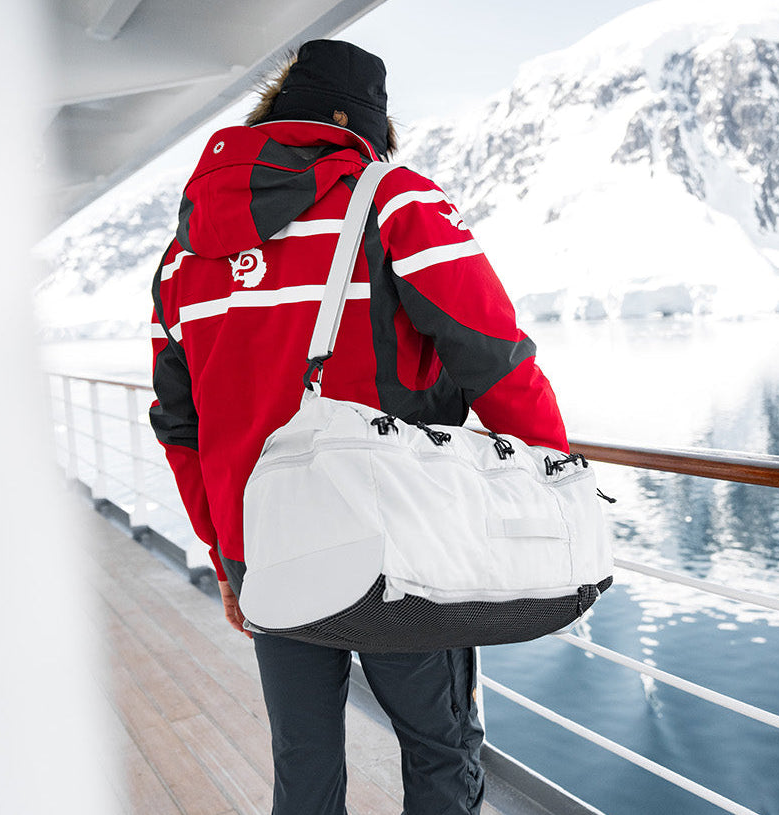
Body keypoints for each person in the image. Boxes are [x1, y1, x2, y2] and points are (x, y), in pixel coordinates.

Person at [148, 39, 568, 815]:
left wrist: (223, 551)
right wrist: (556, 488)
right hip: (396, 546)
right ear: (360, 124)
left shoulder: (184, 254)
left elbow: (180, 426)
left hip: (263, 549)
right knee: (439, 751)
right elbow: (495, 357)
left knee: (303, 763)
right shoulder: (389, 196)